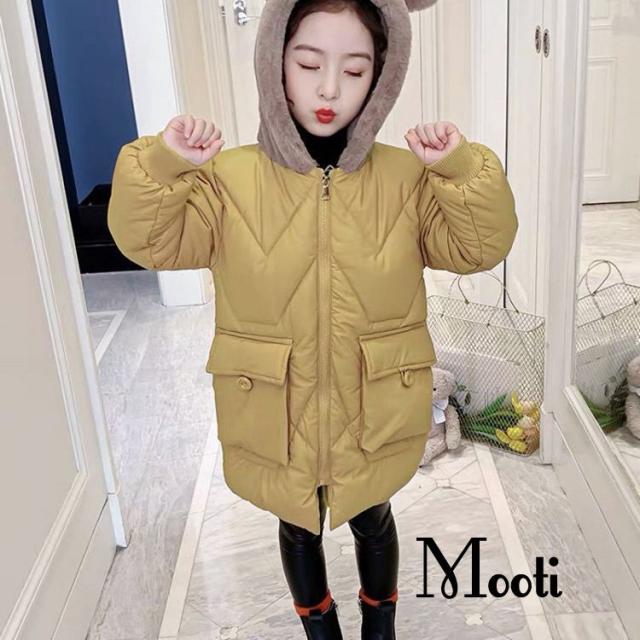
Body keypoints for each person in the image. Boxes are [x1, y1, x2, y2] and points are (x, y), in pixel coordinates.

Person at [107, 0, 518, 638]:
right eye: (308, 64)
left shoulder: (407, 180)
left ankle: (379, 622)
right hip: (275, 409)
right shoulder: (225, 181)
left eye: (354, 71)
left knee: (373, 516)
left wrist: (459, 172)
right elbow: (150, 242)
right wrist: (165, 165)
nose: (329, 89)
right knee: (296, 524)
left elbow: (478, 248)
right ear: (275, 63)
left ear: (382, 78)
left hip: (372, 405)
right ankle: (318, 625)